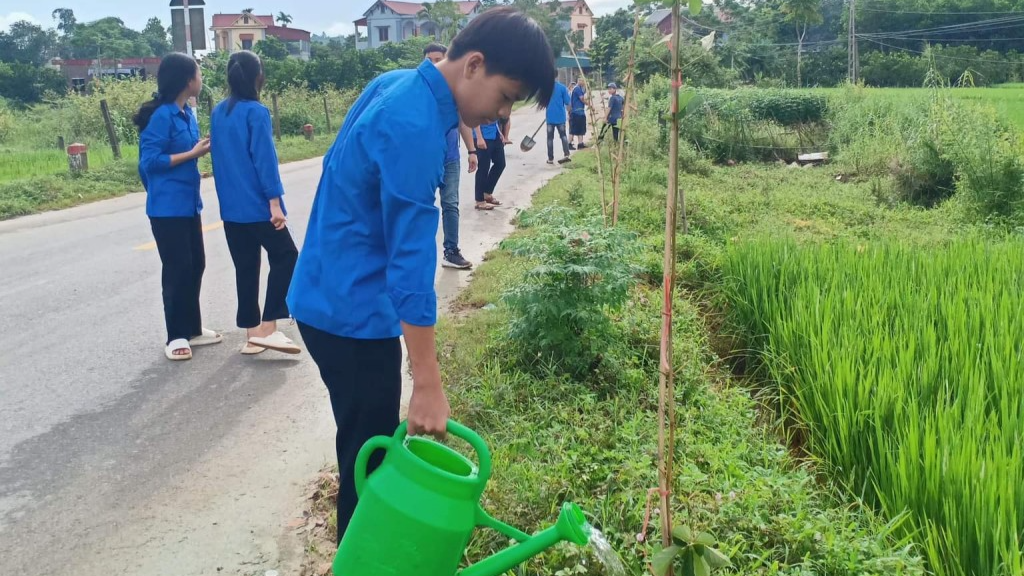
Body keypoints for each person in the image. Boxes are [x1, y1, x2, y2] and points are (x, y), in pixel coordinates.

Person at [286, 7, 555, 543]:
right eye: (505, 96)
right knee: (373, 459)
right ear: (473, 65)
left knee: (360, 446)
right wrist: (427, 384)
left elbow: (338, 175)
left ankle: (358, 551)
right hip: (354, 316)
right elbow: (410, 266)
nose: (502, 112)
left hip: (323, 293)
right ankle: (362, 557)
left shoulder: (395, 84)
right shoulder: (415, 126)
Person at [210, 50, 302, 356]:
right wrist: (275, 204)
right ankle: (268, 327)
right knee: (287, 255)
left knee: (246, 267)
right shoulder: (256, 112)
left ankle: (252, 334)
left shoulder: (219, 112)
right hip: (257, 207)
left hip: (231, 208)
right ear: (257, 77)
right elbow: (264, 162)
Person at [134, 53, 222, 362]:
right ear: (187, 80)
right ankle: (175, 335)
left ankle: (193, 328)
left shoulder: (187, 114)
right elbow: (149, 163)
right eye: (199, 74)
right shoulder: (161, 116)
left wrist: (195, 163)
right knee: (176, 269)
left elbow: (184, 154)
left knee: (196, 264)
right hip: (166, 209)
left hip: (188, 205)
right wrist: (191, 155)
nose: (201, 79)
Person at [424, 42, 477, 270]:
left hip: (451, 158)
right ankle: (419, 254)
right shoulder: (418, 89)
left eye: (439, 59)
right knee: (422, 206)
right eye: (431, 60)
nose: (435, 64)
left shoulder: (453, 90)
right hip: (425, 159)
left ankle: (451, 251)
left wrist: (472, 150)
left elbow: (462, 121)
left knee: (451, 205)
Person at [472, 119, 508, 210]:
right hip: (482, 135)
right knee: (484, 167)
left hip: (494, 134)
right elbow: (475, 117)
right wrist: (479, 137)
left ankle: (487, 193)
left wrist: (499, 132)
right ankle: (479, 200)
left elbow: (494, 118)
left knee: (500, 163)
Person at [545, 79, 572, 165]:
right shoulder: (562, 88)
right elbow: (568, 102)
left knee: (550, 139)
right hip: (560, 117)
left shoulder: (546, 88)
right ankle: (567, 154)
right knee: (563, 136)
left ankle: (550, 159)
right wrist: (569, 112)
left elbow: (543, 102)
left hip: (550, 117)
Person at [569, 76, 588, 149]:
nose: (583, 83)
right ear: (579, 81)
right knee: (573, 129)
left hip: (580, 112)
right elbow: (582, 99)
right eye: (582, 81)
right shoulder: (577, 89)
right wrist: (588, 104)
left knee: (581, 129)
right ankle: (569, 143)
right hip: (576, 113)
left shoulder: (579, 89)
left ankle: (580, 144)